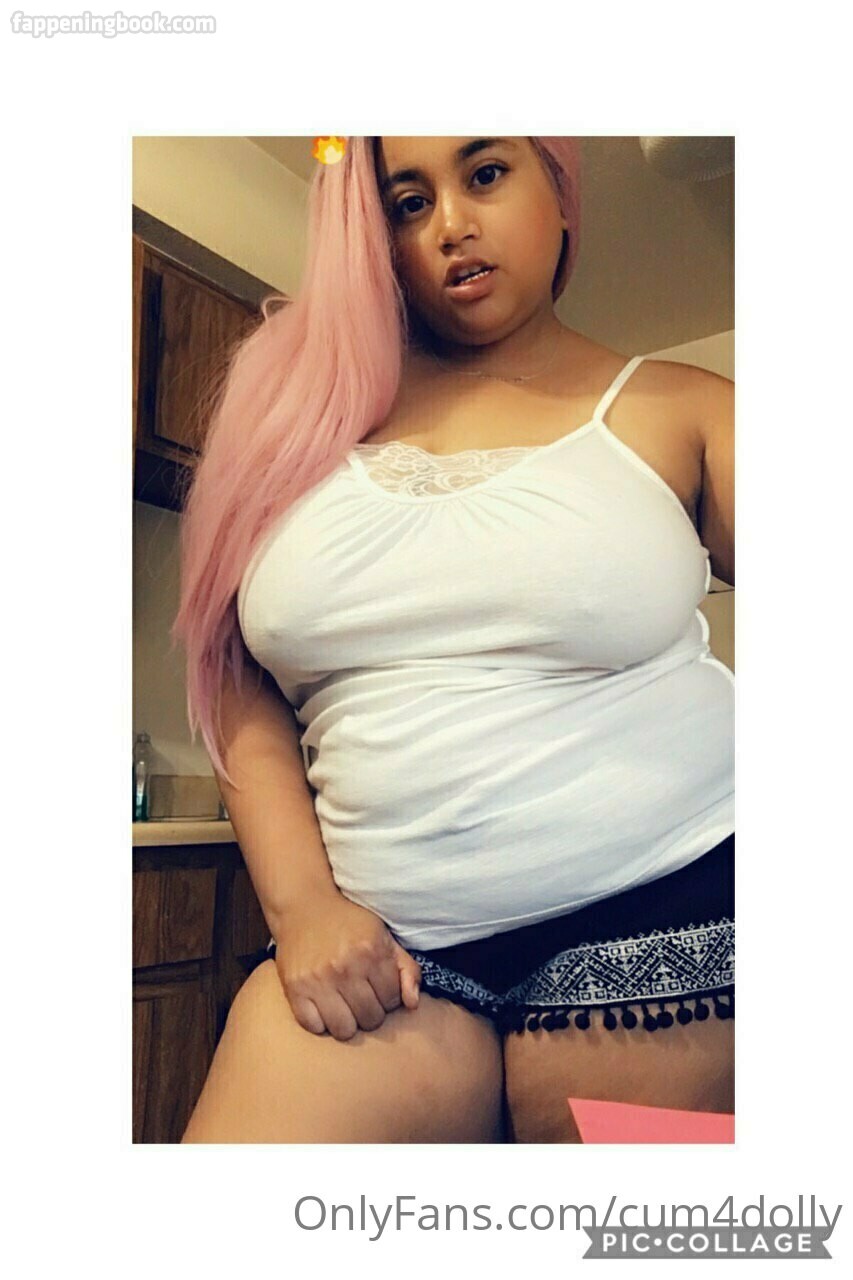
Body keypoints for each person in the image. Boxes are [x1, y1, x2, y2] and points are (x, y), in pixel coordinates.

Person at [173, 137, 735, 1144]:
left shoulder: (685, 407)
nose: (449, 226)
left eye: (484, 174)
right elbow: (233, 675)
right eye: (405, 200)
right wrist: (300, 906)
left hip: (675, 902)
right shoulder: (299, 423)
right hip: (382, 951)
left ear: (559, 192)